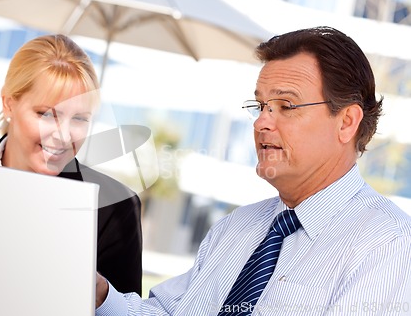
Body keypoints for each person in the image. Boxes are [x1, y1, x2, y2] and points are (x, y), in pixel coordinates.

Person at [95, 26, 411, 315]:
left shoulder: (388, 245)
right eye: (261, 106)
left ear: (346, 122)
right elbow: (168, 312)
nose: (261, 122)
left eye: (286, 106)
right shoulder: (235, 227)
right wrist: (100, 296)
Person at [0, 34, 143, 295]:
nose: (64, 135)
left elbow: (121, 311)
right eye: (46, 114)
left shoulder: (113, 208)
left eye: (80, 119)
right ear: (9, 103)